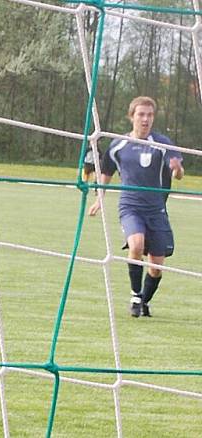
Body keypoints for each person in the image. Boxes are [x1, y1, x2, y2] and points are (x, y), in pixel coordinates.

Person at [89, 96, 184, 318]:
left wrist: (177, 169)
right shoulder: (118, 144)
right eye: (141, 114)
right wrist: (99, 198)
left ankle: (143, 300)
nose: (145, 119)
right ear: (131, 116)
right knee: (137, 244)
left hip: (156, 210)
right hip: (130, 207)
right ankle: (134, 294)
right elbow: (106, 173)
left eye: (150, 115)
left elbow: (178, 175)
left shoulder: (162, 143)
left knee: (156, 267)